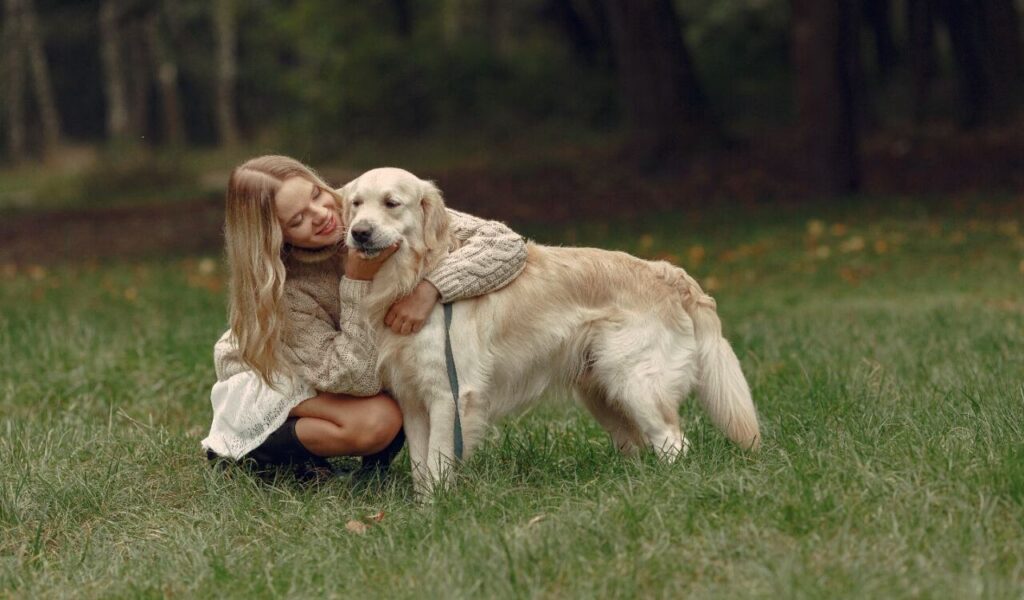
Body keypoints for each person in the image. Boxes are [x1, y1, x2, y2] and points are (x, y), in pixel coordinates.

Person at [201, 155, 527, 479]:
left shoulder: (363, 204)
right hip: (276, 378)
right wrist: (356, 282)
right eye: (297, 220)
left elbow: (506, 245)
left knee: (406, 388)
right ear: (275, 236)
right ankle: (257, 456)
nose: (322, 215)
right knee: (377, 422)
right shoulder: (286, 291)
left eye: (316, 195)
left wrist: (431, 289)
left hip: (339, 366)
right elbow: (355, 378)